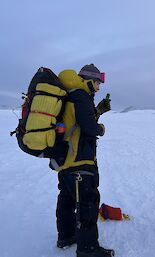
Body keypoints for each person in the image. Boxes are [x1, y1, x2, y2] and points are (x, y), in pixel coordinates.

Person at [52, 64, 114, 257]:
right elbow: (88, 126)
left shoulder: (71, 95)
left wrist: (97, 111)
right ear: (90, 80)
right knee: (87, 202)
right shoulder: (81, 95)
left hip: (65, 160)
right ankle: (88, 248)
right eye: (98, 82)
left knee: (67, 199)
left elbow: (76, 120)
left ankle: (66, 236)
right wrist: (100, 128)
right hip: (80, 160)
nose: (99, 86)